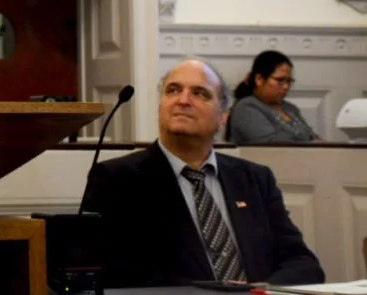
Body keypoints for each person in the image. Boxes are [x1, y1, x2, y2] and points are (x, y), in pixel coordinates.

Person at [81, 57, 325, 288]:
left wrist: (259, 292)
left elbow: (302, 263)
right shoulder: (118, 179)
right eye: (173, 91)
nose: (183, 100)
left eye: (199, 93)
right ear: (160, 107)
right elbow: (117, 273)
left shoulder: (255, 178)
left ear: (222, 117)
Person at [226, 50, 320, 144]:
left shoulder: (291, 108)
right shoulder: (246, 108)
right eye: (280, 80)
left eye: (289, 81)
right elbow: (271, 145)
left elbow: (313, 137)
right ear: (259, 79)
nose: (286, 86)